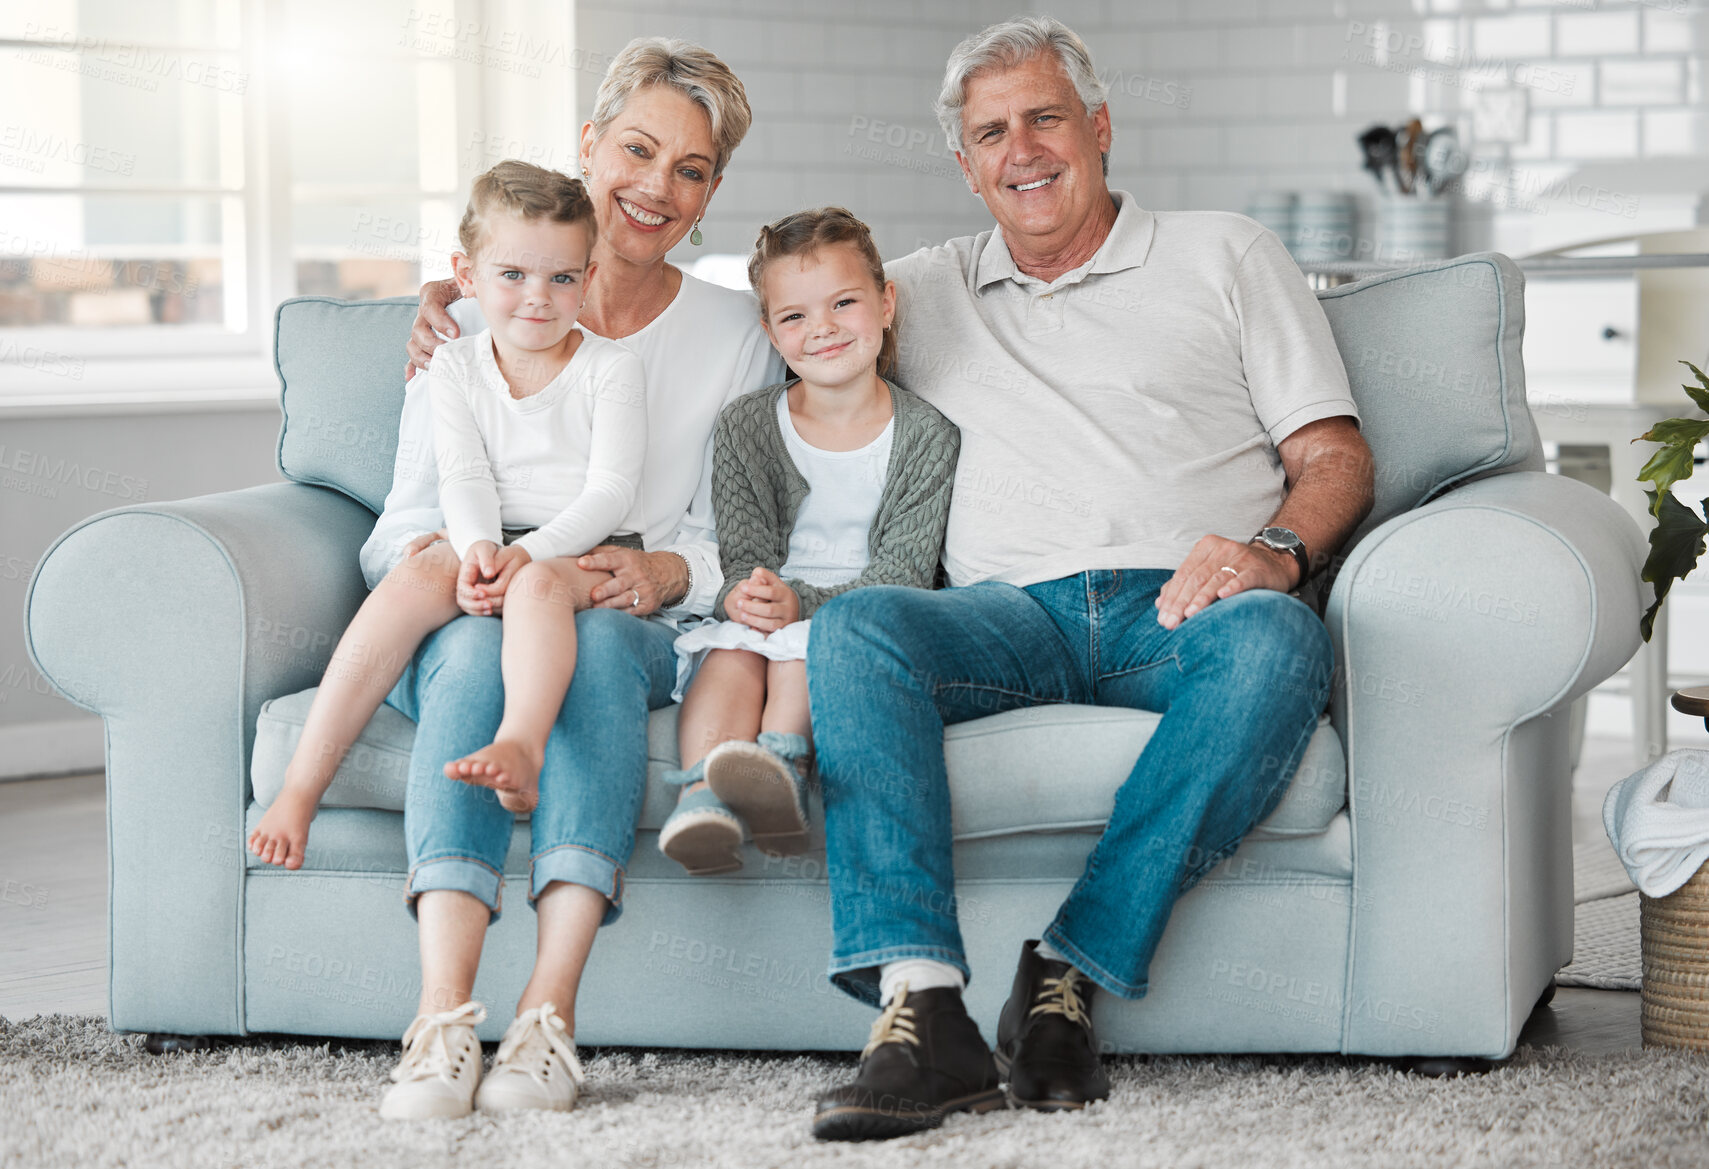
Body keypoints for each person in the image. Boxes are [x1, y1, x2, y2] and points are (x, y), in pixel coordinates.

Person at [806, 16, 1376, 1142]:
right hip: (1004, 618)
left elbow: (1334, 456)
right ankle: (923, 1009)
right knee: (860, 627)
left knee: (1279, 640)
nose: (1021, 149)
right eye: (990, 132)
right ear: (963, 164)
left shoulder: (1225, 253)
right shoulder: (911, 291)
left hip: (1184, 608)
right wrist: (467, 309)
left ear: (1099, 126)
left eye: (1044, 116)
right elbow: (758, 311)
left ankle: (1066, 967)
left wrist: (1270, 552)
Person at [369, 38, 785, 1120]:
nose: (655, 186)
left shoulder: (735, 334)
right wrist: (456, 566)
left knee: (594, 648)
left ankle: (547, 1018)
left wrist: (657, 568)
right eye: (637, 149)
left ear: (711, 194)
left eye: (689, 169)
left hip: (619, 615)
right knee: (467, 653)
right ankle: (443, 1018)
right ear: (588, 145)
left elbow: (729, 536)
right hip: (472, 596)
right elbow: (399, 525)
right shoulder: (469, 315)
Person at [248, 164, 646, 873]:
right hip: (483, 533)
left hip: (578, 545)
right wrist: (476, 552)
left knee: (536, 588)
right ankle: (299, 787)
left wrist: (529, 557)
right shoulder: (454, 363)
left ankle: (520, 743)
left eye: (560, 278)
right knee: (410, 578)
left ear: (587, 279)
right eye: (513, 274)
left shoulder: (611, 367)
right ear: (466, 274)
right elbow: (461, 473)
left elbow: (609, 491)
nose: (537, 298)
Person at [658, 207, 959, 875]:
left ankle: (782, 766)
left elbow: (904, 573)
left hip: (866, 612)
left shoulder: (925, 435)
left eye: (843, 303)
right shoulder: (747, 425)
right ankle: (703, 796)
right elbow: (742, 552)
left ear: (885, 304)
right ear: (770, 331)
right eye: (793, 316)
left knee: (806, 645)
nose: (820, 328)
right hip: (771, 601)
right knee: (729, 653)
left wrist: (799, 604)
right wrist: (748, 594)